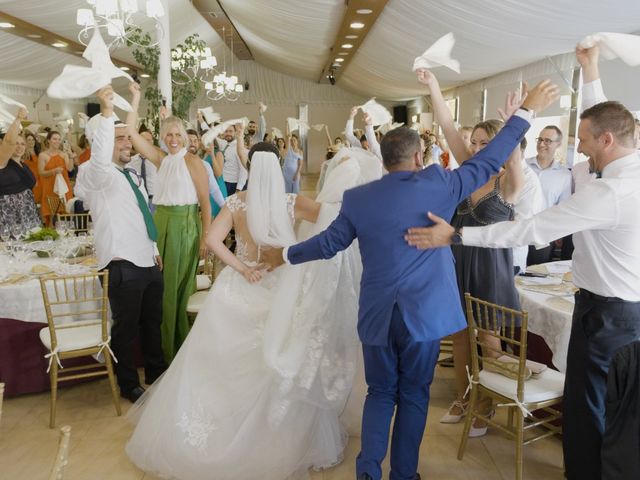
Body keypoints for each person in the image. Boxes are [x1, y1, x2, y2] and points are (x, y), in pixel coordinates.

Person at [264, 78, 558, 480]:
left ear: (384, 161)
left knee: (380, 393)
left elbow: (327, 244)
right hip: (424, 315)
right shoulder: (439, 184)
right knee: (414, 395)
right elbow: (490, 161)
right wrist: (527, 110)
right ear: (420, 156)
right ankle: (404, 475)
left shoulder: (358, 199)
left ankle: (367, 472)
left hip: (377, 316)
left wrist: (283, 254)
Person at [404, 45, 638, 480]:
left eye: (583, 141)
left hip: (604, 311)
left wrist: (455, 233)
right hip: (596, 305)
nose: (578, 149)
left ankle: (586, 468)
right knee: (602, 408)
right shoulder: (618, 168)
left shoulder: (600, 190)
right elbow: (604, 124)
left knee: (594, 408)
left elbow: (531, 231)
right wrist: (589, 70)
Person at [126, 144, 382, 480]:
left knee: (219, 368)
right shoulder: (291, 202)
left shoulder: (236, 203)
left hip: (239, 287)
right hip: (281, 288)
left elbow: (214, 240)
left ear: (248, 166)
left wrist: (242, 267)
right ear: (277, 166)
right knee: (276, 364)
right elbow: (335, 217)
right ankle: (277, 436)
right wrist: (345, 174)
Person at [417, 70, 525, 434]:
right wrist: (433, 86)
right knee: (460, 335)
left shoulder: (508, 182)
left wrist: (515, 122)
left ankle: (487, 403)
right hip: (458, 262)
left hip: (491, 269)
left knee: (489, 340)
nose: (477, 149)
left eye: (484, 143)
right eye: (475, 142)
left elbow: (514, 159)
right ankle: (463, 396)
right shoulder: (468, 172)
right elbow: (448, 127)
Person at [75, 86, 167, 403]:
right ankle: (128, 385)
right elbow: (100, 155)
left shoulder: (131, 175)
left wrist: (155, 251)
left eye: (129, 138)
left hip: (146, 259)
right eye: (121, 138)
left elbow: (142, 218)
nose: (129, 142)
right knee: (125, 330)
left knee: (152, 322)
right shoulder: (97, 174)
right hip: (121, 264)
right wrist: (106, 113)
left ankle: (157, 371)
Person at [126, 82, 212, 363]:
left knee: (174, 290)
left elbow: (205, 203)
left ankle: (175, 347)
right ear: (162, 137)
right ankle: (161, 347)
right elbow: (131, 133)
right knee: (158, 288)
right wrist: (136, 99)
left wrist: (205, 238)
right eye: (168, 134)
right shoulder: (161, 158)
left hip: (183, 227)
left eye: (177, 134)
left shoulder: (193, 162)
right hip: (159, 224)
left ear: (185, 138)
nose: (173, 138)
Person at [0, 108, 41, 231]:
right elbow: (8, 141)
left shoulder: (24, 165)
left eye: (22, 144)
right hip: (9, 216)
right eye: (16, 143)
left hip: (28, 214)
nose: (19, 147)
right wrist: (18, 119)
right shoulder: (3, 162)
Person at [38, 130, 73, 225]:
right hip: (49, 188)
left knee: (65, 214)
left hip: (64, 188)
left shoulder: (63, 154)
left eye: (59, 139)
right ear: (48, 140)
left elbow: (70, 168)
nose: (57, 141)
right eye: (54, 139)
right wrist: (53, 171)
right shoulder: (43, 155)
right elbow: (41, 172)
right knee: (51, 216)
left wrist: (70, 156)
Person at [129, 128, 157, 210]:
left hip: (154, 200)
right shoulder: (131, 162)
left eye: (148, 140)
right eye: (142, 140)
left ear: (152, 142)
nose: (145, 143)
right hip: (138, 199)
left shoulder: (157, 160)